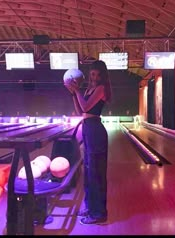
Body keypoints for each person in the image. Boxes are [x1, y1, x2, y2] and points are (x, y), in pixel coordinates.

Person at [64, 60, 112, 225]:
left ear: (103, 75)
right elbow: (80, 111)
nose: (95, 77)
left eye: (99, 74)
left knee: (96, 174)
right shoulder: (89, 89)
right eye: (93, 74)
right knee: (89, 172)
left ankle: (99, 213)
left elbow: (86, 107)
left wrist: (77, 90)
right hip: (87, 128)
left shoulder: (101, 89)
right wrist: (73, 94)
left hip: (95, 130)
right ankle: (90, 207)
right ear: (89, 74)